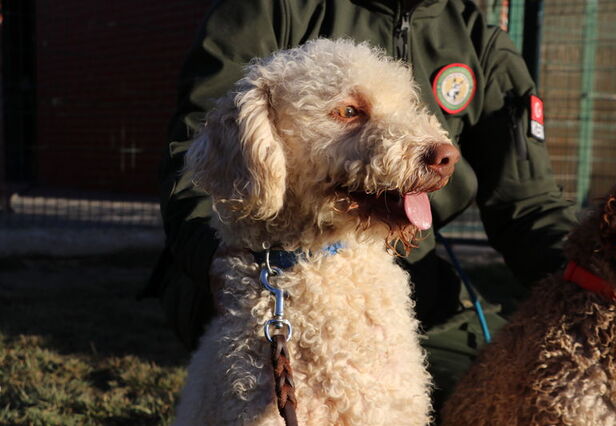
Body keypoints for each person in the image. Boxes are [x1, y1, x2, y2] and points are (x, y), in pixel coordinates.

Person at [142, 0, 577, 416]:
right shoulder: (270, 9)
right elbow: (199, 157)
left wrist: (591, 275)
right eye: (350, 112)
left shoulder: (475, 35)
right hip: (243, 266)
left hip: (404, 273)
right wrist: (216, 260)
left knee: (518, 389)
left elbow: (529, 202)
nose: (435, 146)